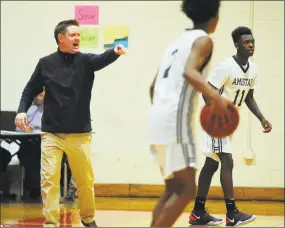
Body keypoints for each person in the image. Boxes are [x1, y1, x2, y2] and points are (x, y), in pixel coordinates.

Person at [15, 19, 126, 227]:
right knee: (49, 181)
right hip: (51, 134)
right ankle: (51, 222)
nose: (78, 38)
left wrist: (115, 52)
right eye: (73, 35)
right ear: (61, 38)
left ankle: (88, 218)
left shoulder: (85, 61)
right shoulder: (45, 63)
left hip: (80, 134)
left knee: (85, 182)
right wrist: (21, 111)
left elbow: (101, 59)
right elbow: (29, 89)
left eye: (79, 35)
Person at [147, 0, 236, 226]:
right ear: (215, 19)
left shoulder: (176, 43)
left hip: (156, 118)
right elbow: (189, 72)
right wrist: (216, 98)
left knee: (173, 188)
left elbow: (152, 87)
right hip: (174, 120)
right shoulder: (203, 40)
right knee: (187, 190)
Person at [188, 26, 272, 227]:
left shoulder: (253, 68)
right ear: (237, 45)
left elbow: (249, 97)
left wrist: (262, 118)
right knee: (227, 160)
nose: (251, 45)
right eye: (246, 42)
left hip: (229, 124)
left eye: (252, 41)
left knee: (212, 164)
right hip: (216, 120)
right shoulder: (226, 66)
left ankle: (198, 213)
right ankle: (232, 213)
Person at [16, 90, 45, 201]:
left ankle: (41, 190)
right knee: (31, 154)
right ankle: (34, 189)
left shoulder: (51, 110)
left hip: (45, 142)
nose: (41, 98)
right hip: (29, 143)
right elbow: (17, 128)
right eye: (39, 95)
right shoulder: (27, 110)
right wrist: (25, 129)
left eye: (43, 95)